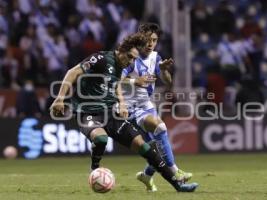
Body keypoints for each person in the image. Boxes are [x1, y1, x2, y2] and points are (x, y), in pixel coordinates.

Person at [49, 33, 198, 192]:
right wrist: (59, 98)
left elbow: (116, 84)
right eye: (130, 57)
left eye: (134, 59)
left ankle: (178, 186)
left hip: (111, 114)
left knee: (145, 147)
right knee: (100, 139)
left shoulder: (121, 67)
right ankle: (95, 168)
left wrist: (122, 103)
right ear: (120, 50)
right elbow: (73, 72)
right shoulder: (101, 58)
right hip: (88, 113)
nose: (131, 61)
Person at [120, 23, 193, 192]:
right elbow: (116, 79)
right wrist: (134, 81)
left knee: (158, 138)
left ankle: (148, 175)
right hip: (130, 109)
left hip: (146, 106)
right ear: (140, 38)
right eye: (147, 39)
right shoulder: (131, 57)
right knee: (158, 135)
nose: (151, 43)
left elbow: (168, 82)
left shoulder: (156, 57)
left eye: (154, 40)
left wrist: (164, 71)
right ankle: (174, 172)